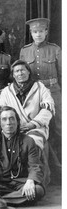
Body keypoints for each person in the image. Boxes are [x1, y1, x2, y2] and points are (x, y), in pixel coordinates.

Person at [0, 59, 54, 187]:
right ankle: (10, 178)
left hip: (35, 127)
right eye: (16, 71)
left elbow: (48, 109)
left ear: (28, 72)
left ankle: (36, 180)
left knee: (33, 141)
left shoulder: (40, 88)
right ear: (13, 74)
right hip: (12, 128)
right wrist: (13, 127)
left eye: (23, 70)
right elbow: (2, 112)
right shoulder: (7, 91)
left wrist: (32, 124)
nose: (20, 73)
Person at [0, 106, 45, 206]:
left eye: (12, 118)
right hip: (0, 183)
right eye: (4, 119)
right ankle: (13, 199)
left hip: (21, 183)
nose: (8, 123)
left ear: (17, 122)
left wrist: (30, 181)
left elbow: (35, 166)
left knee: (38, 190)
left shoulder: (28, 141)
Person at [19, 18, 62, 164]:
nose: (38, 34)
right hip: (35, 93)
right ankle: (44, 162)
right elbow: (22, 74)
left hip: (53, 91)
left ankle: (61, 161)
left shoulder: (55, 49)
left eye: (41, 31)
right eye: (35, 32)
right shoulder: (25, 51)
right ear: (31, 33)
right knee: (39, 125)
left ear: (46, 32)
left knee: (58, 126)